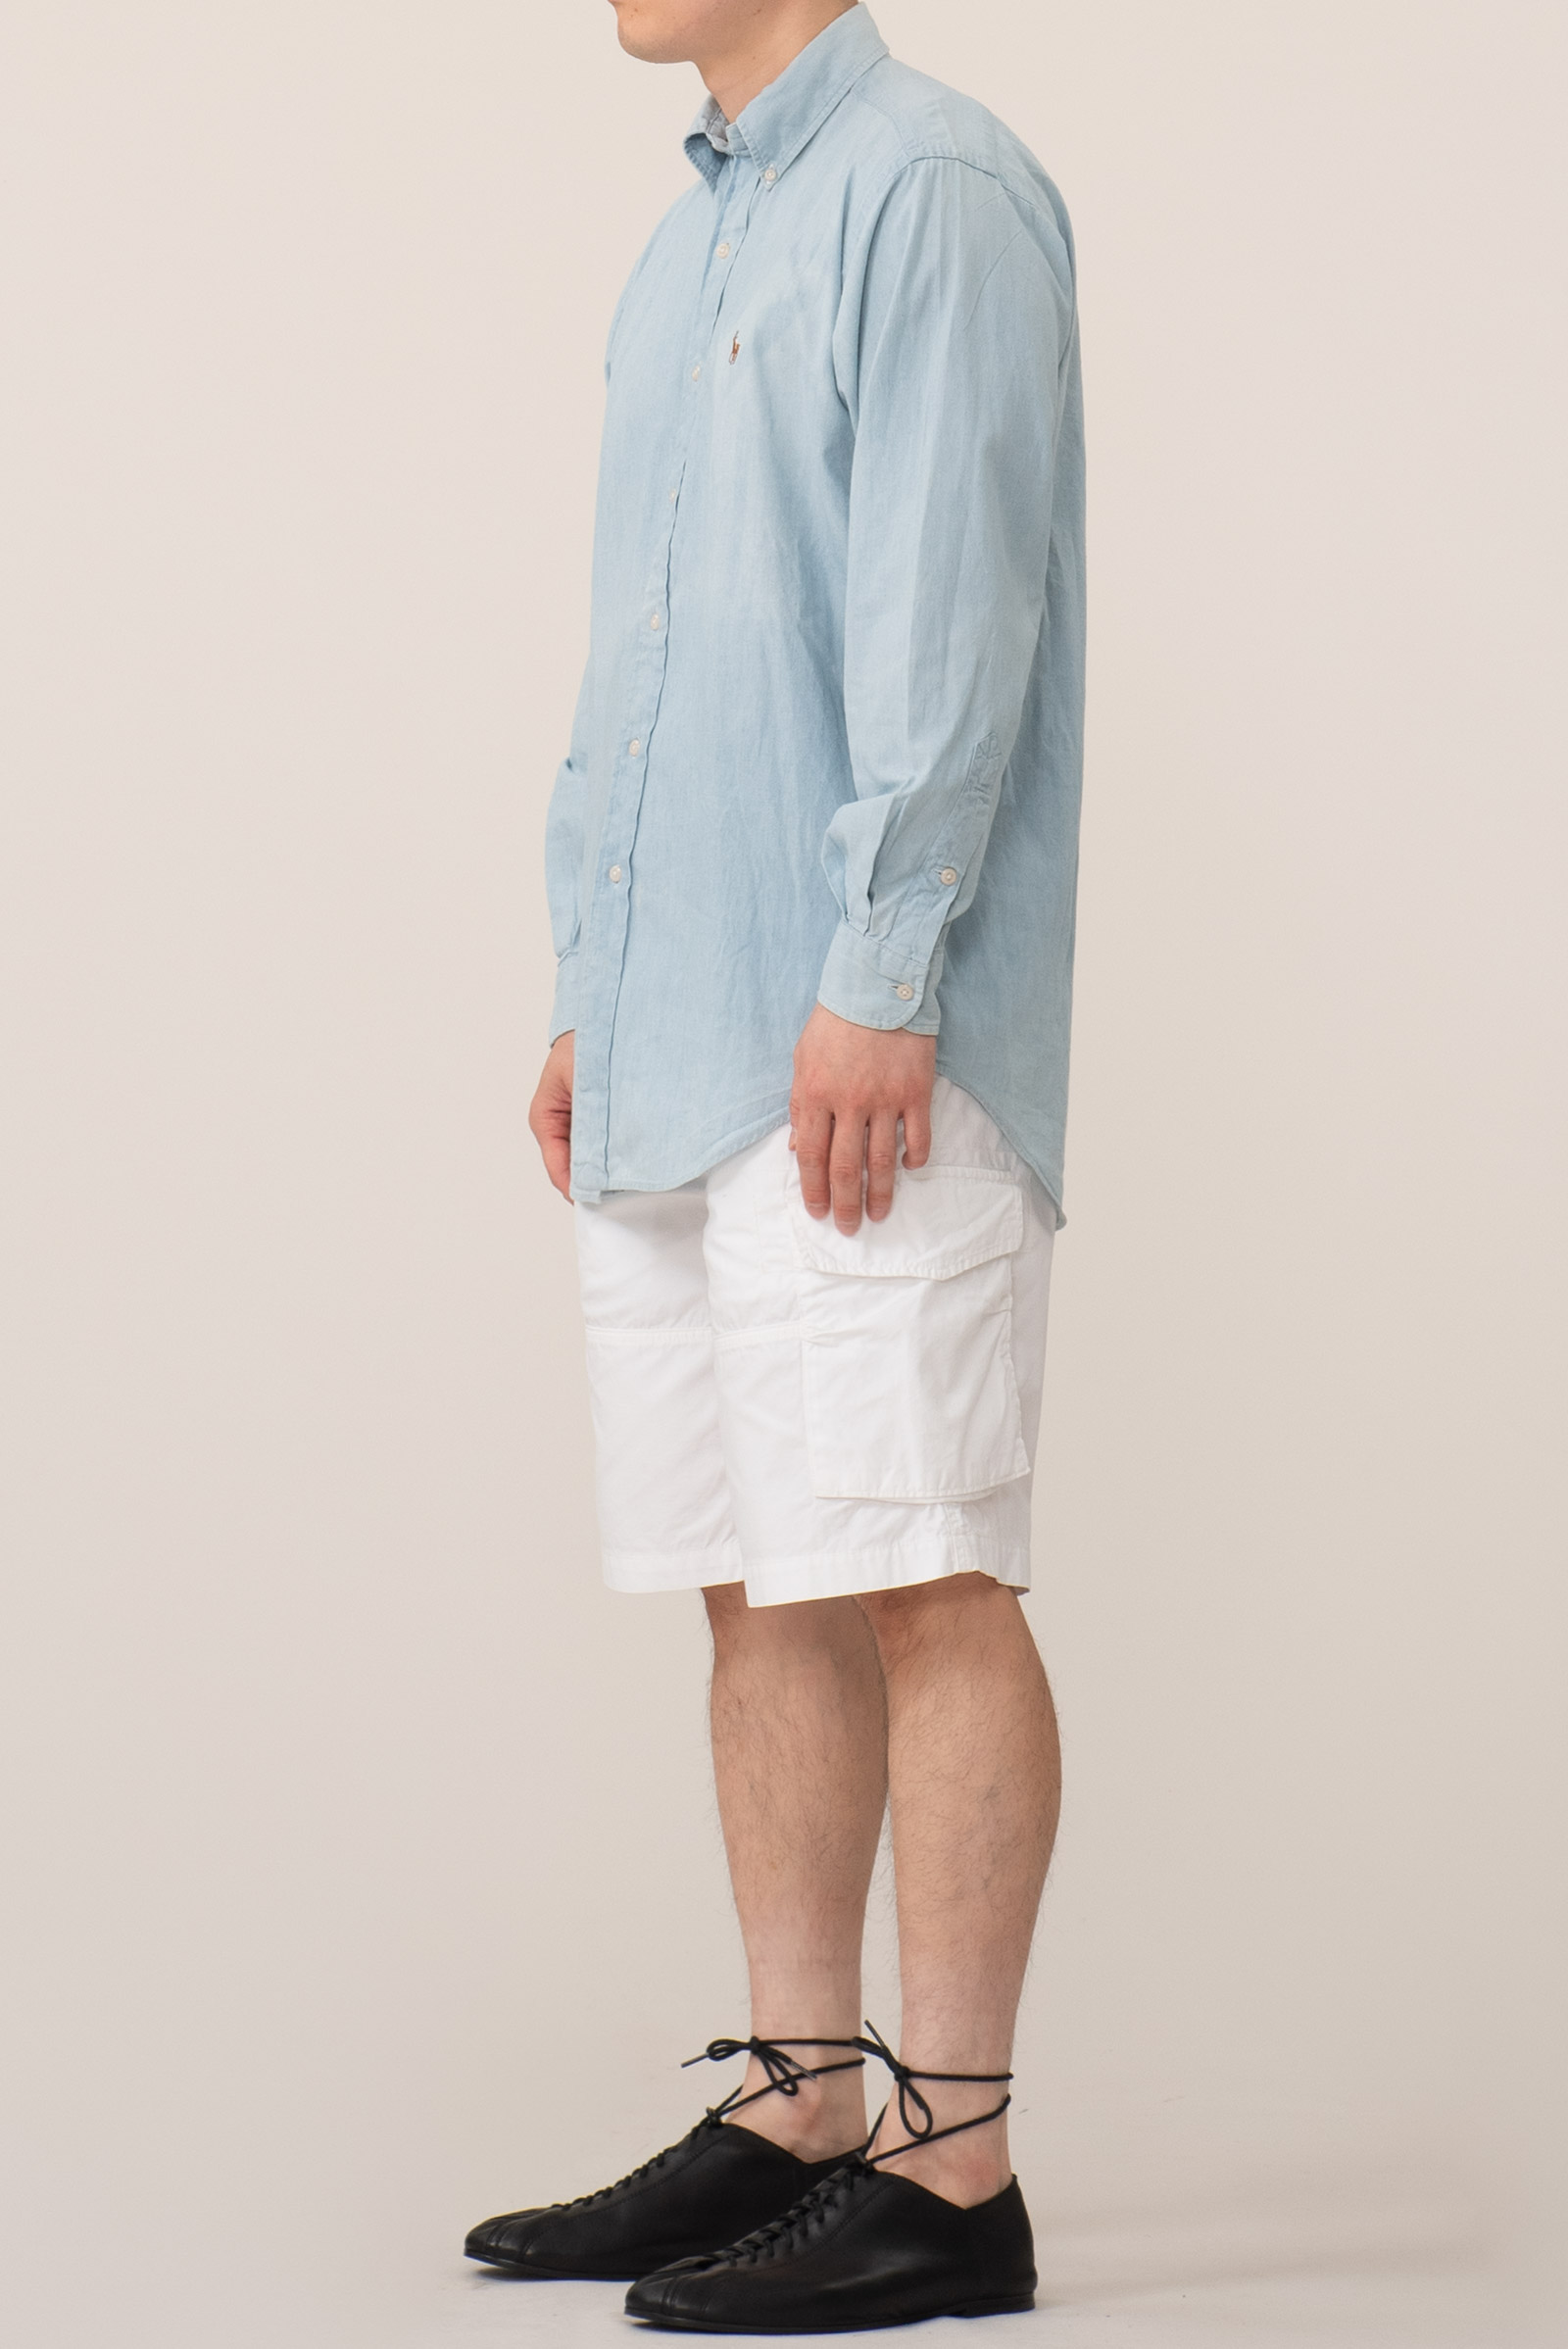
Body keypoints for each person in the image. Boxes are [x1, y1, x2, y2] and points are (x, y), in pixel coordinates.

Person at [466, 0, 1085, 2328]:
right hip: (682, 1027)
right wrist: (591, 988)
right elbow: (649, 655)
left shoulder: (929, 185)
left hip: (857, 1030)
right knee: (755, 1571)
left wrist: (887, 965)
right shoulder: (686, 243)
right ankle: (799, 2105)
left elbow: (952, 608)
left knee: (921, 1562)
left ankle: (956, 2169)